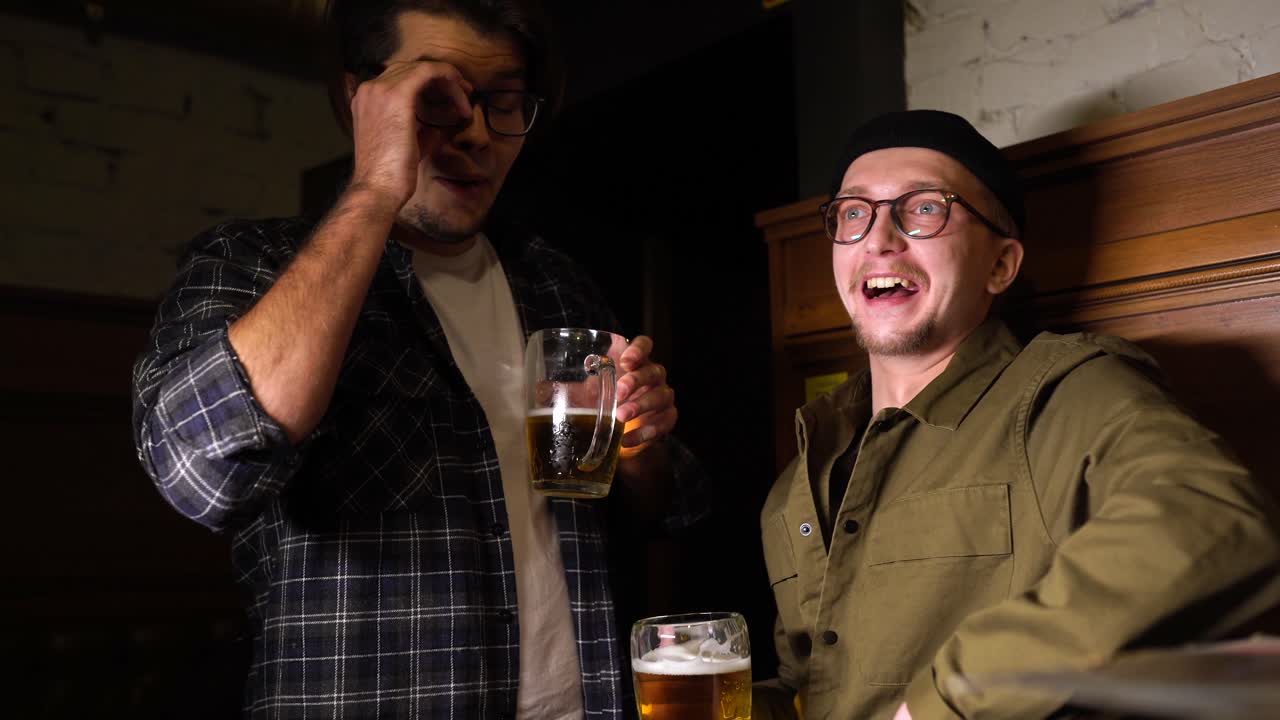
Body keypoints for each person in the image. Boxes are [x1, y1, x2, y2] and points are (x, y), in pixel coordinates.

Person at [130, 1, 705, 717]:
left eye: (502, 103)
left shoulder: (557, 284)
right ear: (358, 98)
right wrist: (377, 185)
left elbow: (662, 510)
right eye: (438, 99)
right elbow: (203, 473)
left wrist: (639, 445)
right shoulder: (251, 264)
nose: (476, 133)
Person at [751, 110, 1280, 719]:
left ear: (1000, 264)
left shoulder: (1064, 394)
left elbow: (1214, 524)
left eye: (924, 208)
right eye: (853, 213)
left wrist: (942, 702)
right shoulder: (796, 483)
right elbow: (811, 687)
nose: (878, 239)